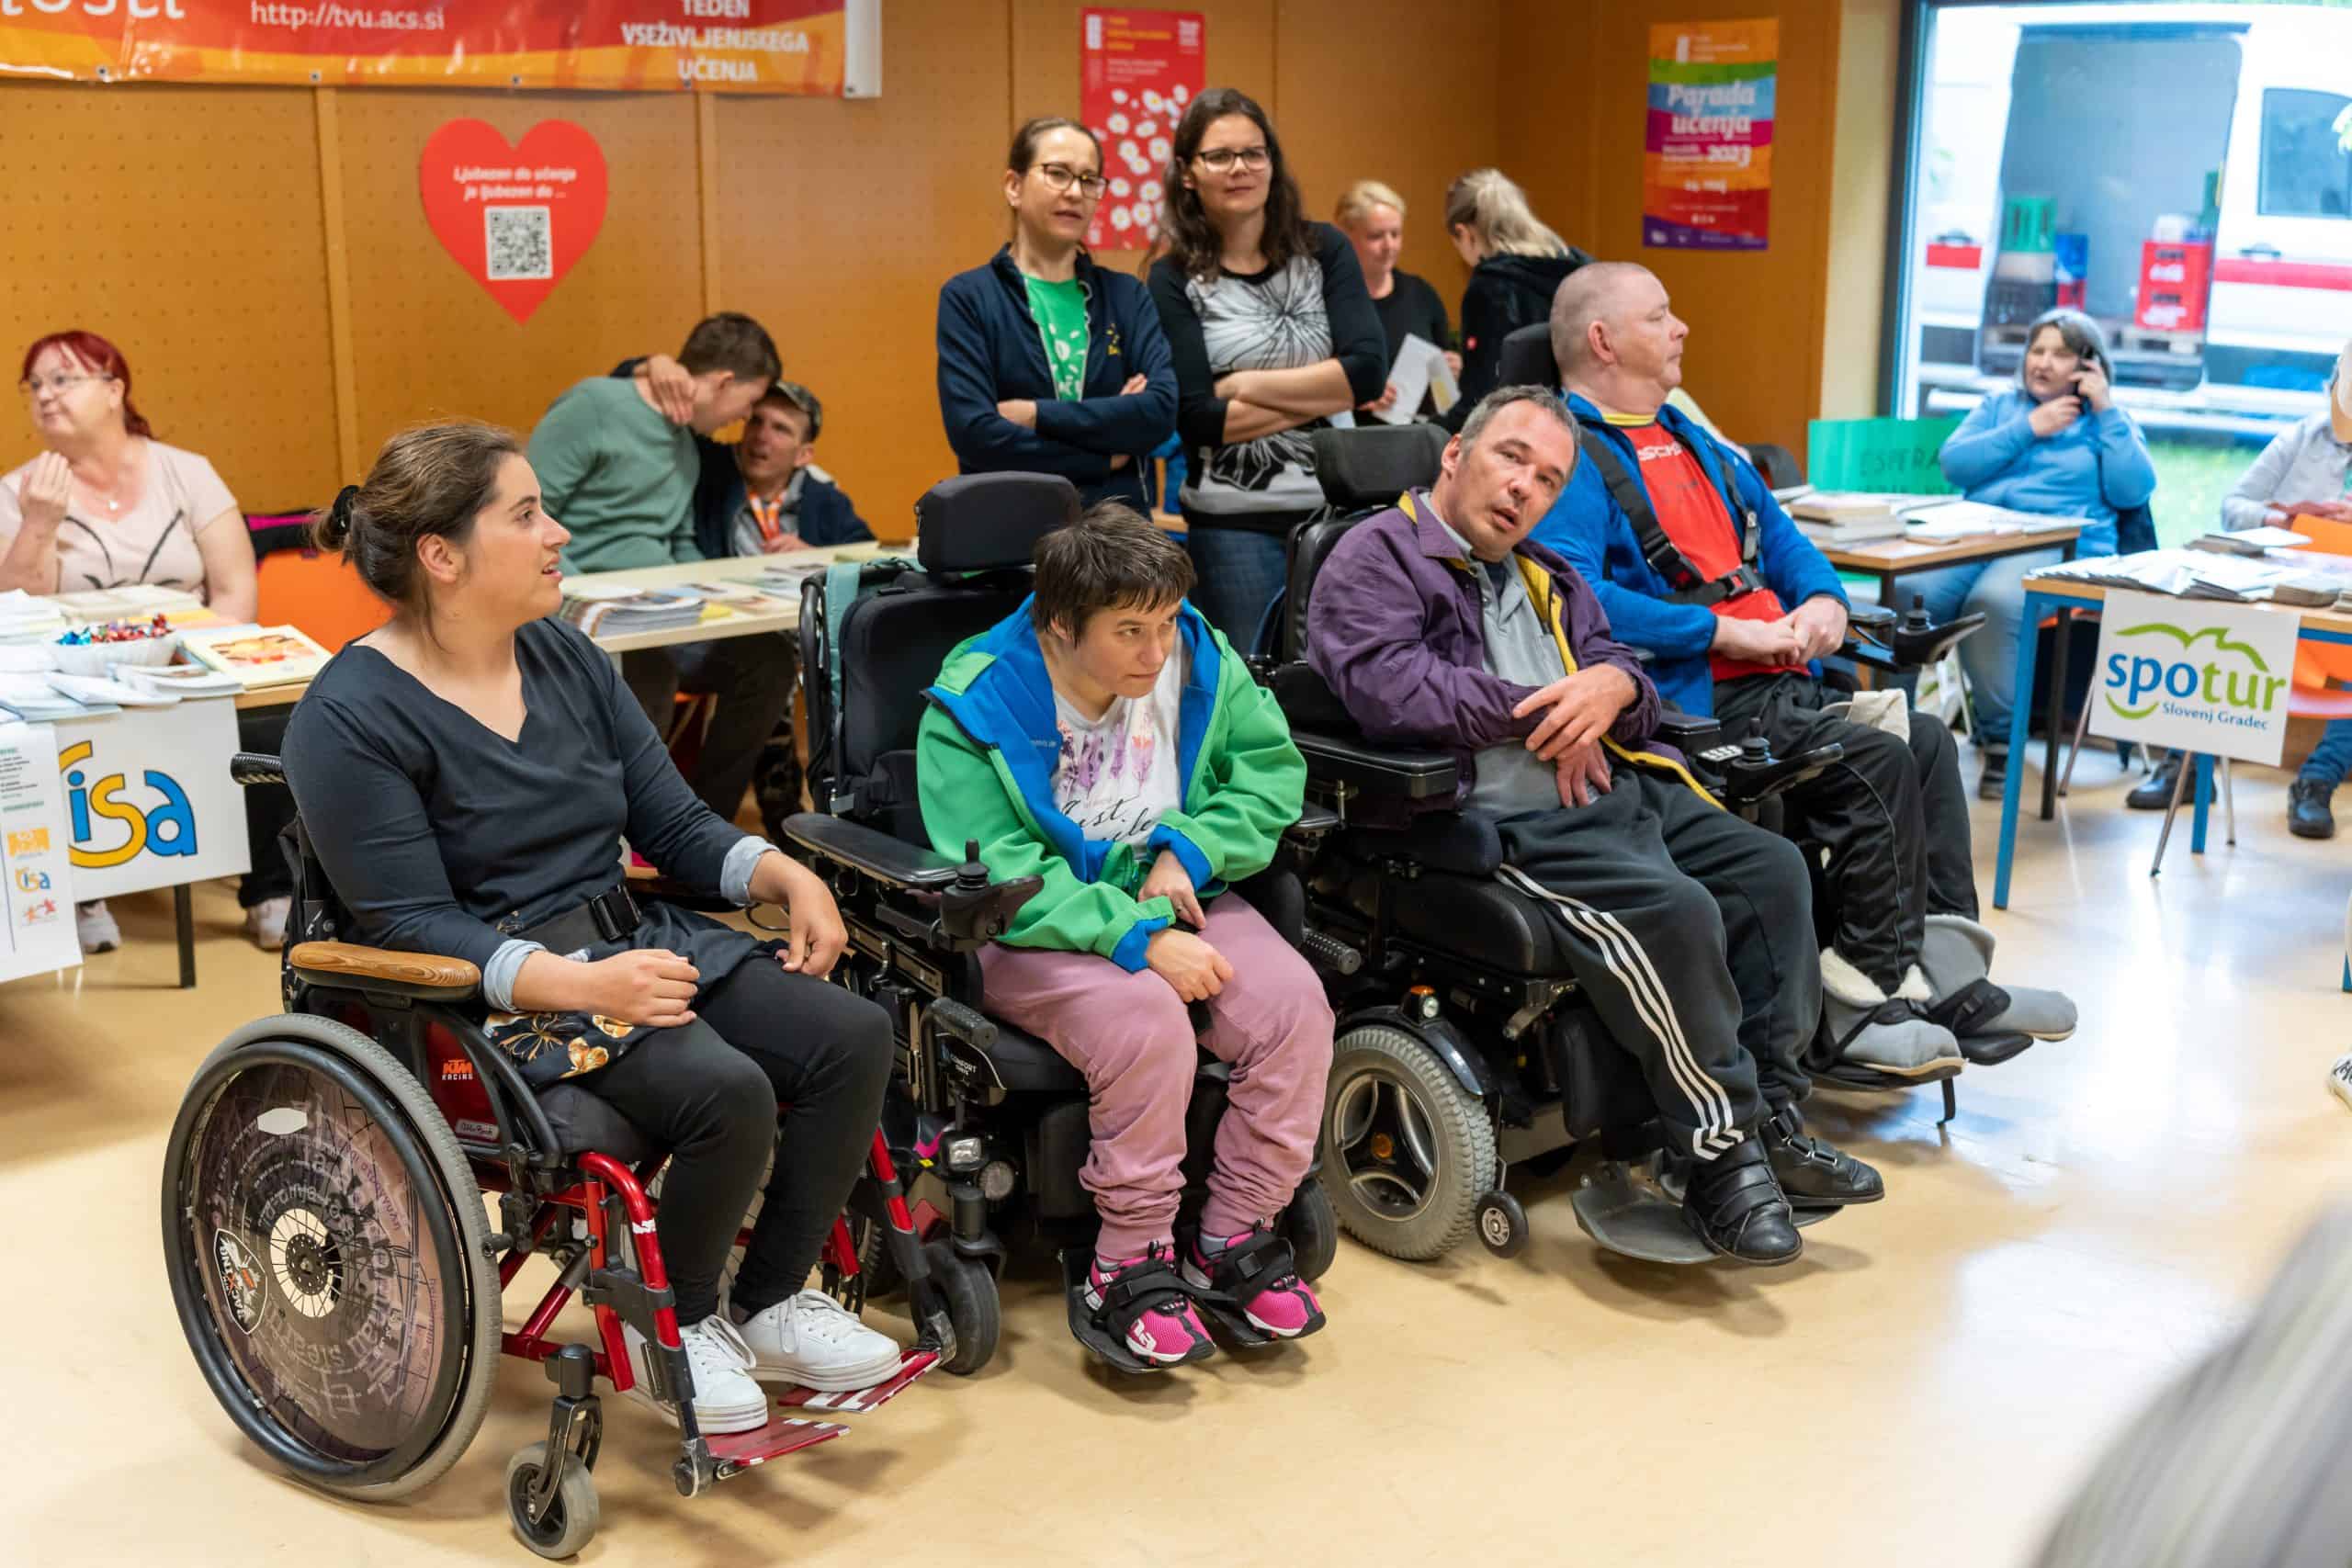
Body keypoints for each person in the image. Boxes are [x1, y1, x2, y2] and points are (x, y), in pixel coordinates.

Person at [281, 422, 901, 1433]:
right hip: (494, 996)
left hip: (628, 938)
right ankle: (681, 1325)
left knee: (854, 1034)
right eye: (527, 515)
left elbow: (675, 826)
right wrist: (578, 984)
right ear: (442, 555)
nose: (557, 533)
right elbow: (414, 922)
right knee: (726, 1090)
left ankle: (769, 1300)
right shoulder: (347, 716)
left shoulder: (566, 654)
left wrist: (781, 870)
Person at [1308, 385, 1885, 1266]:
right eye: (1510, 458)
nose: (1524, 488)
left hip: (1616, 791)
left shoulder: (1547, 570)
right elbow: (1391, 686)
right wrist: (1554, 705)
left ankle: (1770, 1118)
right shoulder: (1374, 555)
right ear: (1455, 454)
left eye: (1548, 479)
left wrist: (1612, 688)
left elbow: (1627, 676)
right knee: (1677, 911)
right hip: (1497, 819)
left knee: (1771, 870)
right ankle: (1716, 1156)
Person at [1533, 263, 2076, 1072]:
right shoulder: (1567, 453)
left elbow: (1787, 541)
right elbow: (1575, 593)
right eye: (1660, 315)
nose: (1681, 328)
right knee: (1874, 759)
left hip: (1782, 681)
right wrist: (1722, 632)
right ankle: (1862, 1004)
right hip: (1697, 703)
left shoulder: (1692, 436)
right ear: (1603, 340)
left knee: (1929, 742)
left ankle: (1950, 980)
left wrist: (1825, 600)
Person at [916, 503, 1329, 1368]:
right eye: (1131, 632)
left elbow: (1270, 771)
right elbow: (1001, 872)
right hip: (1034, 926)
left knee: (1295, 1006)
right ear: (1061, 625)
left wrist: (1191, 849)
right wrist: (1137, 938)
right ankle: (1127, 1260)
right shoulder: (976, 700)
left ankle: (1231, 1231)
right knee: (1145, 1020)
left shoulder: (1198, 656)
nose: (1156, 651)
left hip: (1172, 892)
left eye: (1167, 623)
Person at [0, 330, 293, 955]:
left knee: (274, 719)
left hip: (192, 662)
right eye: (36, 384)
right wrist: (39, 523)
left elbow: (235, 590)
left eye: (63, 379)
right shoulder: (20, 491)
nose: (45, 396)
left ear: (115, 391)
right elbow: (19, 609)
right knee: (40, 734)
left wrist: (201, 663)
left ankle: (270, 890)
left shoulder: (186, 472)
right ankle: (83, 893)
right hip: (78, 677)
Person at [529, 312, 789, 830]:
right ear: (723, 382)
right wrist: (588, 594)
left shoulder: (685, 442)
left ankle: (703, 824)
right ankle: (627, 833)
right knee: (650, 667)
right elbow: (528, 515)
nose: (743, 419)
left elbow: (679, 540)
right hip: (588, 608)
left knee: (769, 658)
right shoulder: (595, 406)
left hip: (661, 611)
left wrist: (721, 591)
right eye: (747, 404)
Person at [1148, 87, 1386, 648]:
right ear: (1188, 173)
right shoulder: (1173, 277)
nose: (1240, 168)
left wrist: (1243, 384)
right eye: (1219, 156)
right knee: (1252, 680)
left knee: (1344, 676)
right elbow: (1198, 419)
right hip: (1232, 526)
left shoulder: (1324, 250)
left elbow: (1368, 374)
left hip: (1338, 511)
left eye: (1253, 153)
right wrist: (1328, 391)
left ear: (1272, 163)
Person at [617, 364, 872, 835]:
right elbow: (626, 385)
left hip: (793, 640)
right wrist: (652, 365)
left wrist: (816, 554)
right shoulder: (711, 470)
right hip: (707, 632)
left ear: (804, 454)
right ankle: (775, 793)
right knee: (773, 662)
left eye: (781, 429)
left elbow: (866, 557)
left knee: (791, 660)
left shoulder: (823, 499)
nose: (761, 436)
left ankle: (713, 820)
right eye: (756, 420)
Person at [1916, 308, 2156, 800]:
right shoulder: (2000, 406)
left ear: (2089, 365)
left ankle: (2002, 742)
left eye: (2060, 354)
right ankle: (1891, 727)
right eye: (2036, 350)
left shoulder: (2108, 421)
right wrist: (2028, 427)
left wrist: (2105, 409)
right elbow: (1954, 464)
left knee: (1994, 602)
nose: (2042, 363)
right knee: (1909, 593)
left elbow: (2134, 490)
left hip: (2065, 546)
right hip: (1983, 535)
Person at [936, 116, 1179, 513]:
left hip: (1116, 528)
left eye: (1089, 180)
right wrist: (1103, 458)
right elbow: (976, 435)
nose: (1075, 192)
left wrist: (1034, 414)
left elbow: (1158, 413)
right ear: (1014, 186)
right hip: (1010, 527)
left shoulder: (1127, 295)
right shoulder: (969, 297)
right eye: (1058, 174)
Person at [2219, 342, 2352, 838]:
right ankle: (2185, 764)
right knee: (2214, 622)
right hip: (2287, 586)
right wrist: (2287, 519)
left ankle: (2317, 780)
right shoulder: (2303, 437)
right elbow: (2234, 508)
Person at [1444, 168, 1591, 412]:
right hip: (1588, 419)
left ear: (1464, 233)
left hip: (1527, 422)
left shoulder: (1491, 287)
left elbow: (1484, 396)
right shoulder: (1582, 270)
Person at [1333, 179, 1461, 422]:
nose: (1389, 245)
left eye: (1395, 234)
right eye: (1376, 236)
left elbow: (1443, 391)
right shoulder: (1328, 300)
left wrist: (1450, 373)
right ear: (1346, 237)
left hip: (1416, 435)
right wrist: (1355, 397)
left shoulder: (1421, 294)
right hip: (1351, 437)